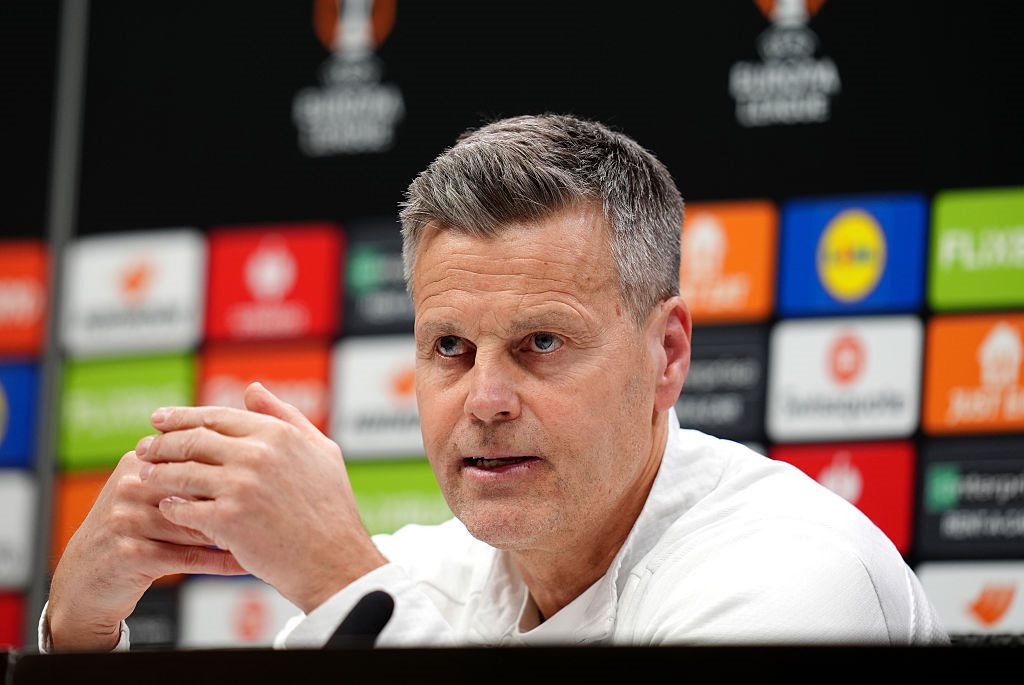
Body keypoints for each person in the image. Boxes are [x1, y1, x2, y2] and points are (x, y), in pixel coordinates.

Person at [41, 113, 948, 651]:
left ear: (667, 354)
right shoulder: (429, 578)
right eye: (449, 347)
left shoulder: (791, 575)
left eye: (541, 342)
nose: (484, 400)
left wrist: (339, 580)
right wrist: (79, 632)